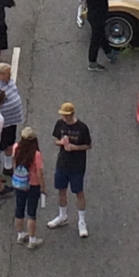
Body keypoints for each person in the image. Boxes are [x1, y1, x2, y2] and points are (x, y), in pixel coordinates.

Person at [48, 101, 91, 237]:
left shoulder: (82, 128)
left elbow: (88, 145)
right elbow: (55, 140)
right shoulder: (60, 124)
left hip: (77, 165)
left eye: (66, 115)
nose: (64, 118)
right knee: (61, 190)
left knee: (78, 192)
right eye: (63, 115)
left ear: (72, 114)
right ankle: (62, 215)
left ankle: (82, 221)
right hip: (62, 163)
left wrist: (75, 148)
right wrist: (61, 142)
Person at [12, 128, 45, 248]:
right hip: (33, 185)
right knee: (32, 212)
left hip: (19, 183)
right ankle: (32, 239)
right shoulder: (36, 154)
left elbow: (14, 163)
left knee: (19, 209)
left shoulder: (16, 148)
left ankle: (20, 234)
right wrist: (43, 187)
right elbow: (39, 173)